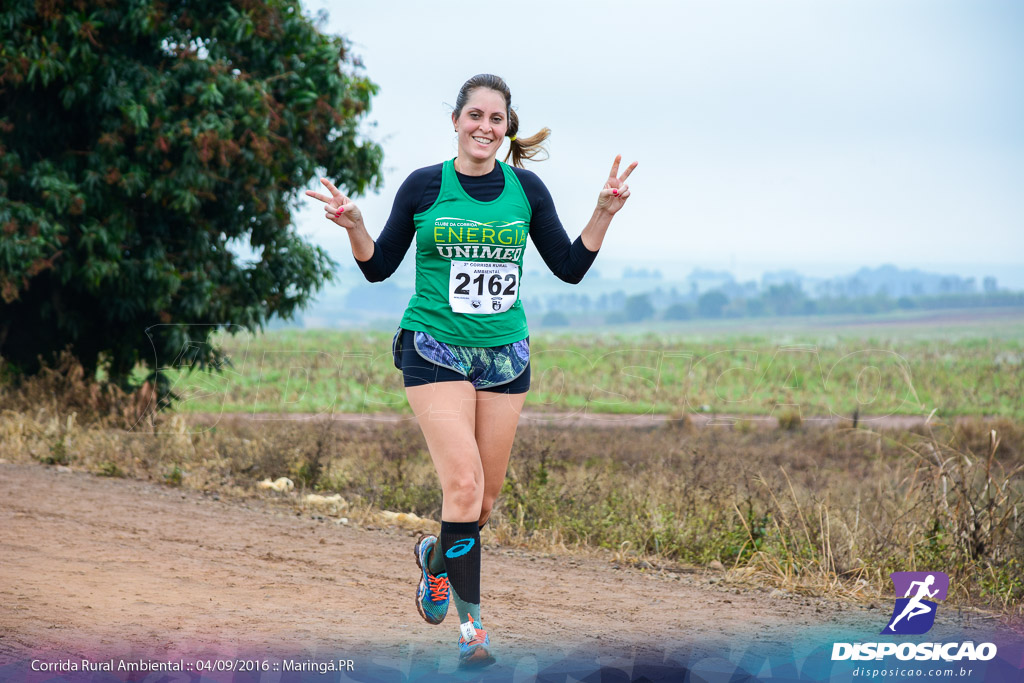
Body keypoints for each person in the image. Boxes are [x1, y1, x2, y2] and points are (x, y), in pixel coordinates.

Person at [306, 73, 636, 669]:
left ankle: (435, 557)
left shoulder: (525, 190)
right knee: (461, 485)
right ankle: (474, 634)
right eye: (475, 115)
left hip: (505, 355)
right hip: (434, 348)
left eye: (496, 118)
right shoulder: (424, 187)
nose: (485, 127)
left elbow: (568, 267)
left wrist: (603, 212)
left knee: (481, 505)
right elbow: (378, 267)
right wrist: (355, 225)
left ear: (507, 128)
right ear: (456, 121)